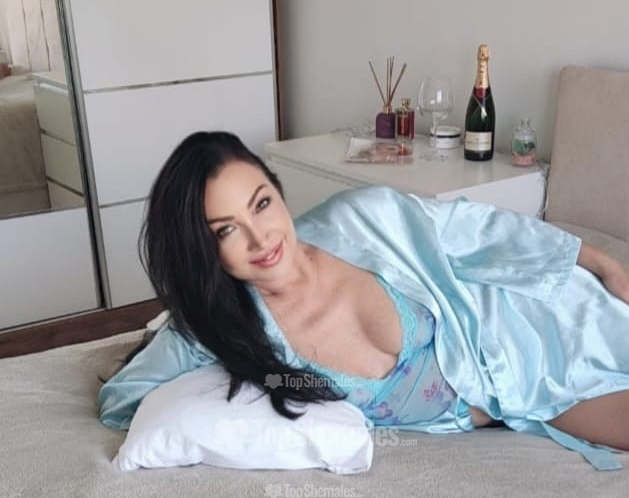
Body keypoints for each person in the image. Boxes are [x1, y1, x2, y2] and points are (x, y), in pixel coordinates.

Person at [99, 131, 629, 470]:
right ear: (204, 251)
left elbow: (473, 228)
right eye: (225, 231)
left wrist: (600, 262)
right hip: (523, 396)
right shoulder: (227, 331)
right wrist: (217, 346)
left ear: (278, 191)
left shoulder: (363, 217)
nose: (261, 238)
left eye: (261, 204)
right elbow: (122, 400)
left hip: (531, 315)